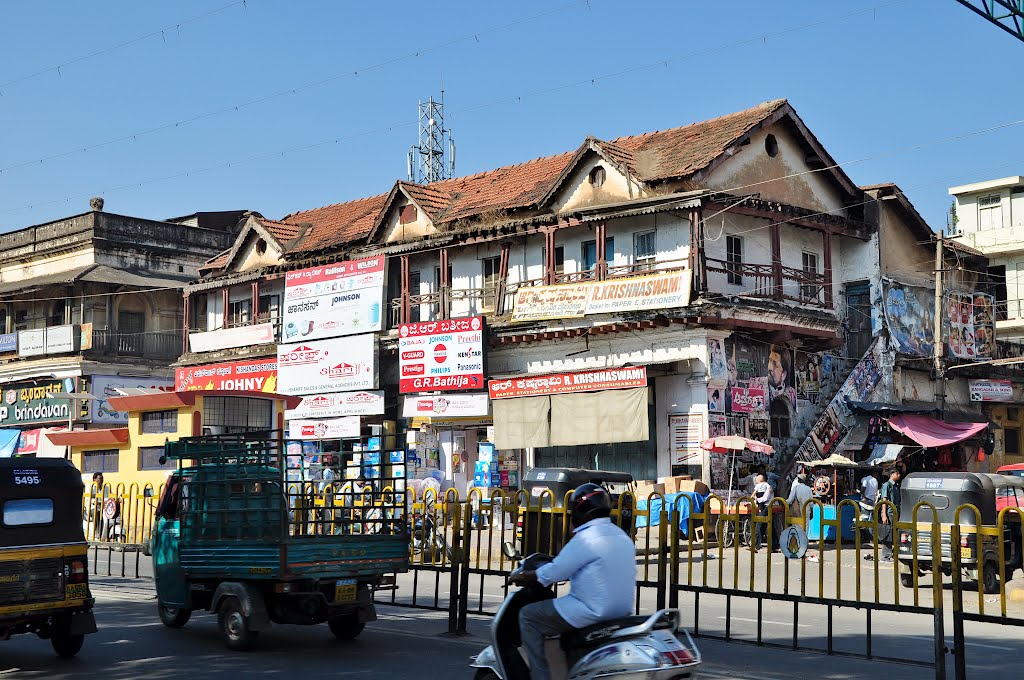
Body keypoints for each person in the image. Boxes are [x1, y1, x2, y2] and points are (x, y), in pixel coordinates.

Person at [512, 484, 635, 680]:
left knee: (528, 616)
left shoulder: (585, 539)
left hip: (590, 610)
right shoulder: (621, 536)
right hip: (621, 611)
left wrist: (526, 576)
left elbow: (555, 572)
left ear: (579, 511)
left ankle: (541, 676)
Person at [872, 468, 902, 562]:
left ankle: (892, 554)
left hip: (896, 513)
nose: (899, 475)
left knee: (894, 533)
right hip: (889, 513)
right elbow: (884, 501)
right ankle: (885, 556)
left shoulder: (896, 486)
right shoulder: (886, 485)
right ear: (892, 474)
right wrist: (884, 514)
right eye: (897, 474)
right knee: (888, 534)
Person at [752, 474, 772, 552]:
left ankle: (756, 545)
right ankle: (757, 545)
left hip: (766, 507)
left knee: (759, 526)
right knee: (763, 527)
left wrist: (756, 499)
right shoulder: (766, 486)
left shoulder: (768, 487)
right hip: (764, 507)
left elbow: (765, 498)